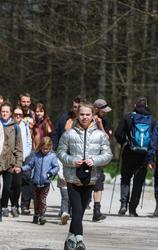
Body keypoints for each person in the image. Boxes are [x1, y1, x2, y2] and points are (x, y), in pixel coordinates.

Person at [57, 101, 112, 250]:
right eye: (82, 114)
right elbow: (60, 153)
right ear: (77, 115)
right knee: (77, 209)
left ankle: (70, 237)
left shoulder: (101, 135)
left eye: (88, 114)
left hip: (91, 178)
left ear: (93, 115)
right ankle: (80, 240)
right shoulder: (69, 134)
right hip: (73, 178)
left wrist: (94, 160)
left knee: (79, 213)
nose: (85, 117)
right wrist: (72, 161)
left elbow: (108, 155)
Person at [115, 97, 153, 217]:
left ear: (135, 105)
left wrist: (124, 142)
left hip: (128, 153)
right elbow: (154, 140)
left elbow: (117, 133)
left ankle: (123, 205)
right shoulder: (152, 120)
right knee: (138, 182)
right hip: (144, 156)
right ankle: (132, 209)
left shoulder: (128, 117)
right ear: (146, 105)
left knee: (125, 178)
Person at [52, 95, 82, 224]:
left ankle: (70, 210)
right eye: (74, 106)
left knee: (74, 183)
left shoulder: (86, 120)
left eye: (78, 107)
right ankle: (64, 211)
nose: (75, 109)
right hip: (62, 154)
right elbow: (55, 133)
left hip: (78, 157)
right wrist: (54, 149)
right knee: (63, 180)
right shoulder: (64, 118)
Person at [16, 136, 59, 225]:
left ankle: (42, 216)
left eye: (47, 149)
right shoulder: (36, 155)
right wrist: (21, 169)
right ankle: (36, 215)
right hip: (35, 182)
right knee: (36, 200)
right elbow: (30, 165)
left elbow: (56, 167)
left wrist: (50, 173)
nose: (45, 151)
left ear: (50, 147)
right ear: (40, 147)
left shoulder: (52, 156)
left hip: (45, 182)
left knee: (42, 199)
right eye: (43, 149)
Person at [0, 102, 23, 221]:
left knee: (7, 187)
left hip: (10, 161)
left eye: (7, 111)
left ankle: (5, 205)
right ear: (0, 112)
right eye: (2, 111)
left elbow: (19, 147)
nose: (4, 113)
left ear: (10, 113)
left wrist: (18, 163)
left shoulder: (15, 127)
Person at [90, 99, 113, 222]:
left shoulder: (106, 121)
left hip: (99, 157)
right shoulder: (87, 118)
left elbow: (106, 139)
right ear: (96, 109)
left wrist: (100, 126)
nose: (105, 113)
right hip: (87, 155)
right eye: (103, 111)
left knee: (99, 182)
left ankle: (96, 211)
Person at [11, 106, 32, 216]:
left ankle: (25, 205)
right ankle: (14, 205)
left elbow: (29, 142)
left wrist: (25, 155)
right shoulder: (10, 126)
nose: (18, 116)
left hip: (25, 157)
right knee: (15, 183)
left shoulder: (25, 126)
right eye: (16, 114)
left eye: (20, 115)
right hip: (13, 159)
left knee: (26, 181)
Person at [18, 93, 35, 214]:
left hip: (30, 149)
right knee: (16, 178)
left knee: (27, 178)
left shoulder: (33, 114)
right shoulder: (16, 113)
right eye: (23, 101)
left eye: (27, 102)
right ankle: (13, 203)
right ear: (20, 102)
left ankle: (25, 205)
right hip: (17, 148)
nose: (25, 104)